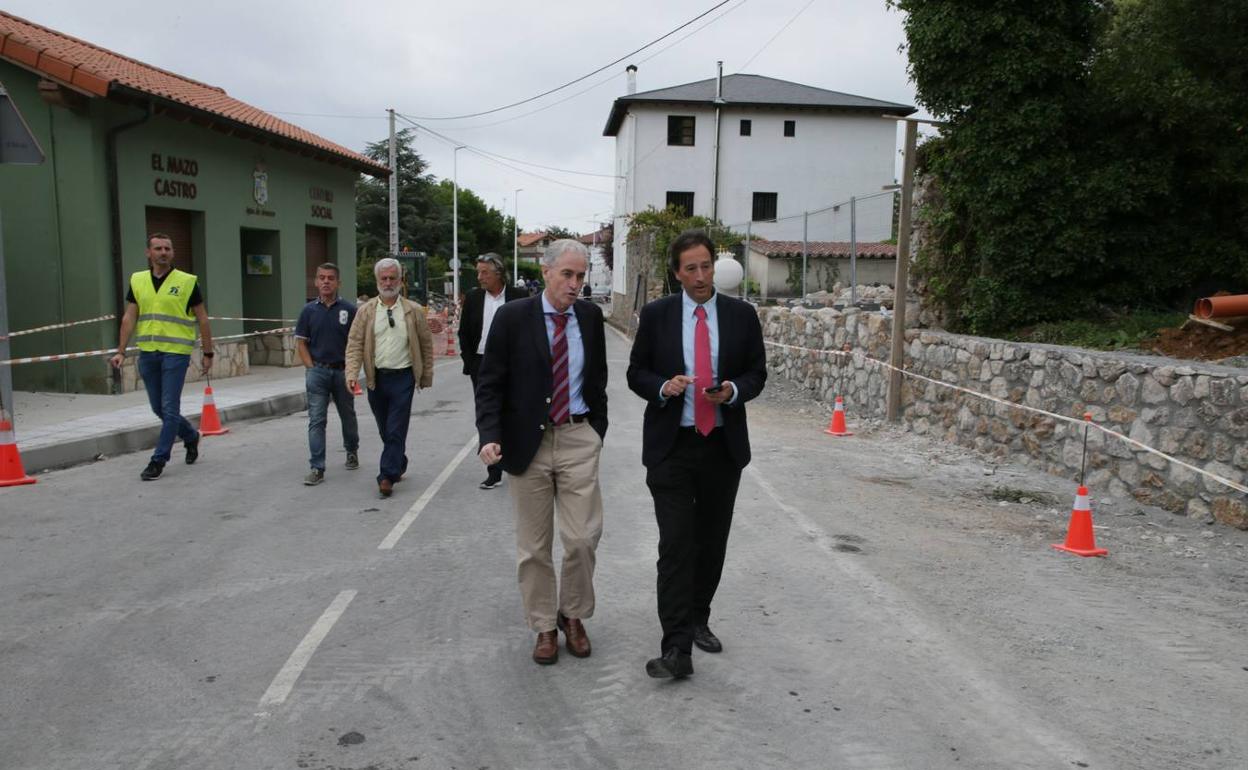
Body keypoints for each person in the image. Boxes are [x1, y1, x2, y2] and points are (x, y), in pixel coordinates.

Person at [626, 230, 767, 680]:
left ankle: (698, 617)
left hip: (721, 446)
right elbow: (636, 372)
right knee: (676, 544)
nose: (702, 275)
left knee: (710, 542)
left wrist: (733, 391)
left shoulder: (742, 316)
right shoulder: (657, 315)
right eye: (691, 268)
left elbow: (757, 373)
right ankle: (676, 649)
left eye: (706, 265)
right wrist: (663, 387)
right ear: (677, 273)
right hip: (672, 446)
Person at [475, 239, 609, 666]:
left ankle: (573, 616)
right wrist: (489, 434)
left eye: (581, 276)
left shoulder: (589, 317)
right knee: (534, 546)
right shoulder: (513, 318)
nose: (574, 284)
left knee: (583, 538)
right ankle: (544, 627)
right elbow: (490, 381)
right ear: (547, 273)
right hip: (526, 443)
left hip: (577, 436)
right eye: (567, 275)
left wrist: (595, 432)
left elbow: (598, 379)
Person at [109, 233, 213, 481]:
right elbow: (129, 317)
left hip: (176, 354)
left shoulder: (188, 282)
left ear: (173, 253)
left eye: (167, 248)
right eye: (158, 248)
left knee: (169, 408)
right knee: (159, 408)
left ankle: (158, 460)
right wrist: (121, 351)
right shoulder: (138, 280)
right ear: (149, 253)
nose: (163, 252)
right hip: (148, 353)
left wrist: (208, 352)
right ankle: (190, 435)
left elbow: (203, 319)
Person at [345, 258, 434, 498]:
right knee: (385, 428)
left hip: (403, 377)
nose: (387, 282)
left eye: (392, 278)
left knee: (396, 428)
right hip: (377, 378)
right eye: (383, 278)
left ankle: (386, 476)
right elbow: (354, 343)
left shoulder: (413, 311)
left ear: (400, 280)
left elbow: (426, 344)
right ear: (377, 281)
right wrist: (352, 373)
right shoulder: (366, 311)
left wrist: (425, 375)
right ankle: (399, 460)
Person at [458, 253, 528, 490]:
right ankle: (494, 469)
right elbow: (464, 332)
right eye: (478, 272)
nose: (479, 277)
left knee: (513, 411)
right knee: (487, 412)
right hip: (482, 363)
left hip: (513, 364)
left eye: (484, 272)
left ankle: (517, 459)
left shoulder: (518, 297)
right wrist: (469, 361)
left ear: (498, 273)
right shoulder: (474, 298)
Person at [295, 263, 359, 486]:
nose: (325, 282)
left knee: (347, 416)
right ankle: (317, 467)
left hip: (342, 372)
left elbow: (356, 342)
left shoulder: (349, 310)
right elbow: (301, 342)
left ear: (338, 282)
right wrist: (310, 367)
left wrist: (353, 369)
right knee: (317, 420)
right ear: (315, 282)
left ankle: (351, 450)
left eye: (330, 278)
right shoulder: (308, 311)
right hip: (318, 372)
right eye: (321, 277)